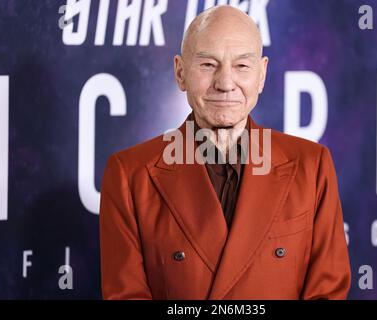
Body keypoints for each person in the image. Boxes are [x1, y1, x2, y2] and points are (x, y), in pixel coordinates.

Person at [99, 5, 351, 300]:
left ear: (262, 74)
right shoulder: (129, 175)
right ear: (180, 73)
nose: (225, 83)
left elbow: (327, 293)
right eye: (208, 65)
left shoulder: (312, 166)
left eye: (242, 66)